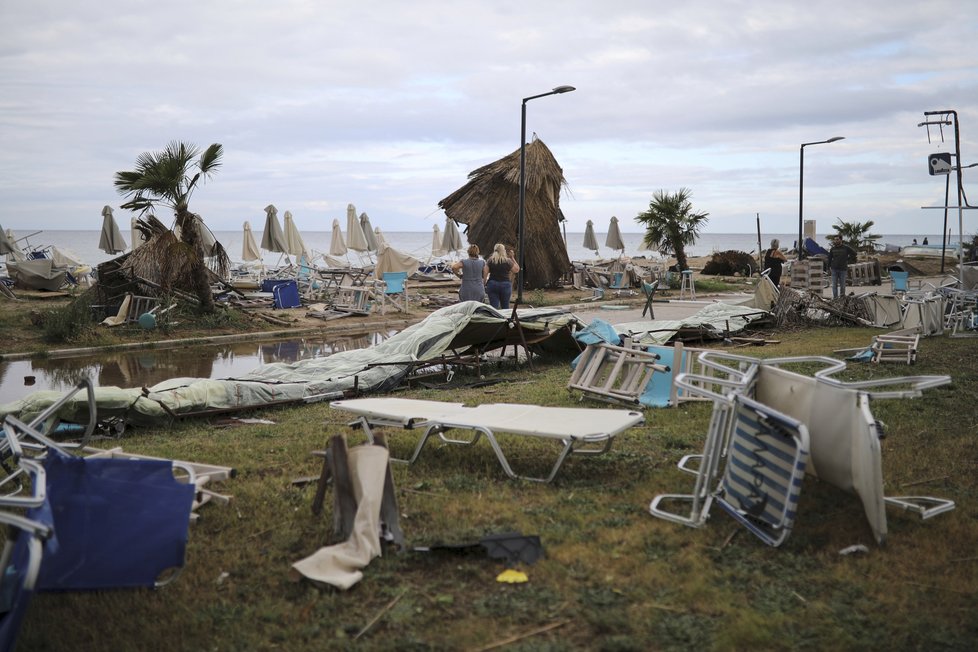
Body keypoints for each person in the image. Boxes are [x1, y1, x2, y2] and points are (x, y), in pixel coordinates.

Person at [486, 243, 519, 309]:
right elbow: (516, 270)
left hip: (492, 284)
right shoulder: (508, 261)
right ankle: (505, 319)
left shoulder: (490, 260)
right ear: (503, 251)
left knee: (493, 308)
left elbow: (485, 272)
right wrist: (512, 257)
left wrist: (484, 282)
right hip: (505, 284)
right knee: (505, 307)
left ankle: (495, 319)